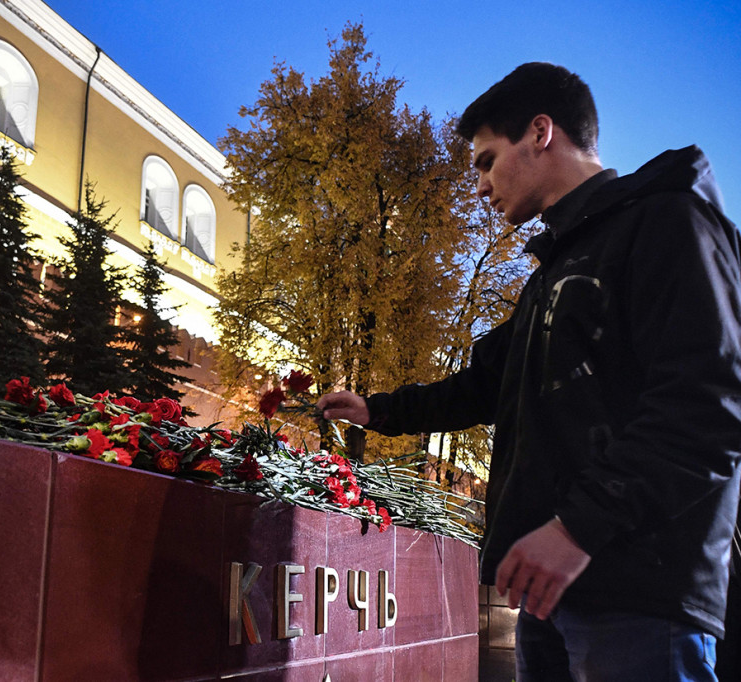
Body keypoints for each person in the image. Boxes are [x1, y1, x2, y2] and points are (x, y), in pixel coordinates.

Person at [317, 62, 741, 681]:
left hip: (637, 594)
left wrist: (576, 530)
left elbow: (709, 406)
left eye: (486, 161)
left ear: (541, 132)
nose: (481, 186)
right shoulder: (549, 275)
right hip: (553, 592)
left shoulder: (669, 222)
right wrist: (378, 409)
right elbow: (487, 384)